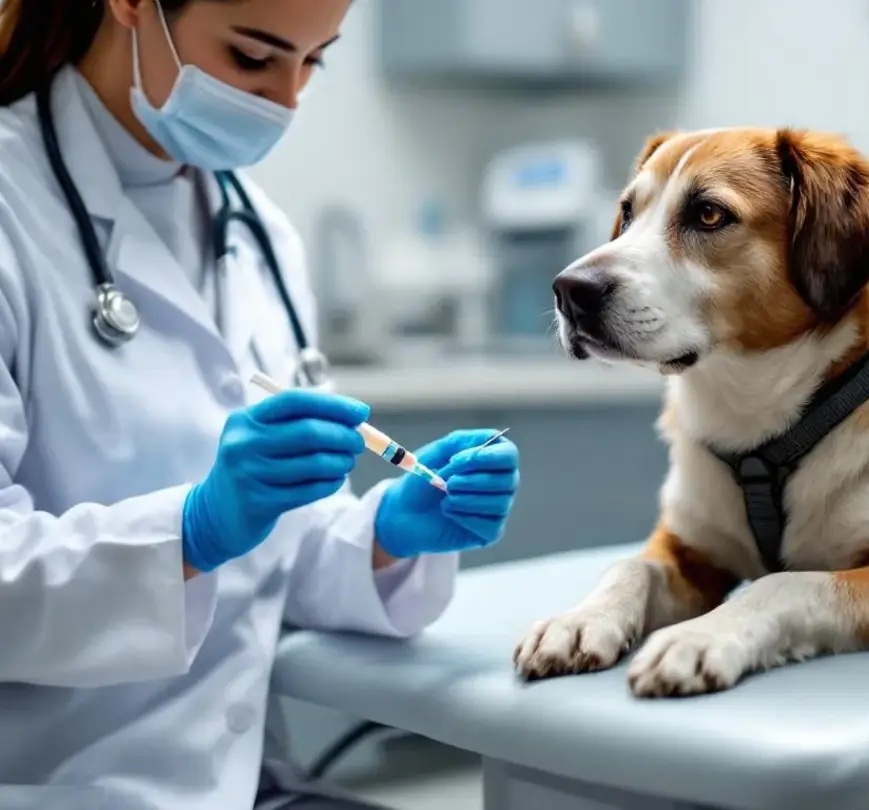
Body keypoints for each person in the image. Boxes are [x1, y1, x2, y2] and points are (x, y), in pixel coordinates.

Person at [0, 0, 521, 808]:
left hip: (245, 780)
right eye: (253, 58)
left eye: (313, 63)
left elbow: (280, 556)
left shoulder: (260, 234)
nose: (283, 104)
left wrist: (381, 536)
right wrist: (192, 529)